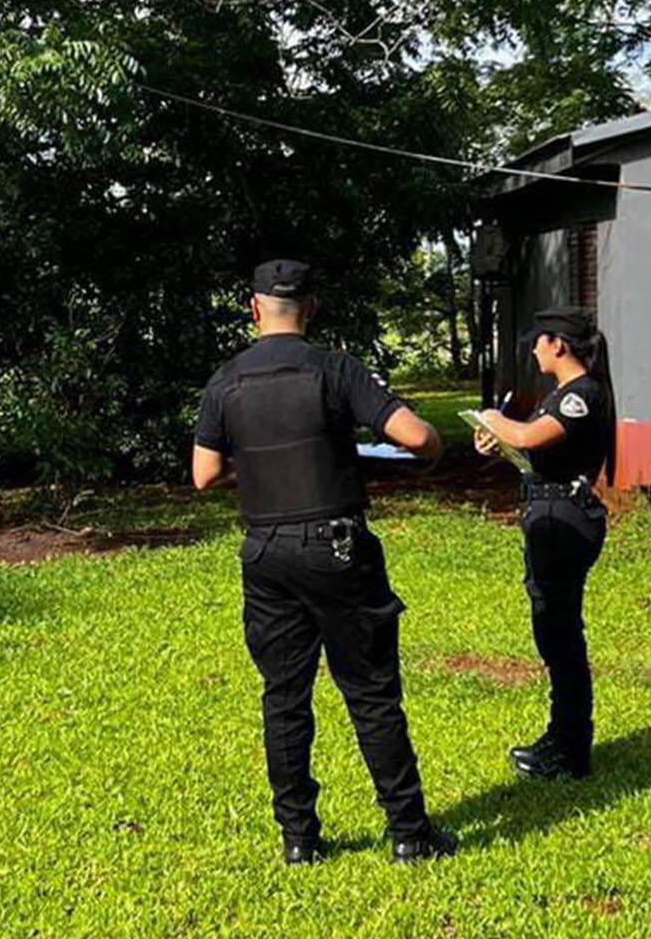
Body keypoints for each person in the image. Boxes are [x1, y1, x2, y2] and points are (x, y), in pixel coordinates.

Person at [192, 259, 458, 866]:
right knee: (369, 692)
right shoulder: (335, 368)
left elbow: (204, 474)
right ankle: (409, 833)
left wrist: (258, 468)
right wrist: (436, 448)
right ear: (310, 309)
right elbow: (415, 436)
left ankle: (299, 839)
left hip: (265, 552)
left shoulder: (225, 381)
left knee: (284, 696)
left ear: (254, 308)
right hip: (336, 547)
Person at [474, 307, 614, 780]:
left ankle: (570, 749)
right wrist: (501, 441)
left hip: (563, 523)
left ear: (558, 344)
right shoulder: (563, 394)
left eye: (538, 340)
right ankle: (563, 736)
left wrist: (494, 418)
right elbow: (535, 450)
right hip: (551, 516)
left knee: (561, 636)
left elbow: (532, 434)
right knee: (554, 634)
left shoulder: (582, 395)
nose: (533, 348)